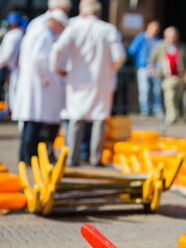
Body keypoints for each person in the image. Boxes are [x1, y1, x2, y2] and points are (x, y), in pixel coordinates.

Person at [50, 0, 126, 167]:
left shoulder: (74, 27)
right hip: (101, 80)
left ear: (82, 11)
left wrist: (57, 69)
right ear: (98, 13)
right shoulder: (108, 29)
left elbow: (57, 49)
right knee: (99, 119)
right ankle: (95, 158)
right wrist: (109, 69)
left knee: (76, 118)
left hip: (77, 80)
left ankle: (72, 158)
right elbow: (119, 56)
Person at [12, 10, 67, 164]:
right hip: (37, 83)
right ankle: (28, 158)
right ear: (56, 23)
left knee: (32, 123)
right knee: (33, 124)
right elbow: (39, 60)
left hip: (34, 82)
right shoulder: (44, 34)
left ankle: (27, 157)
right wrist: (47, 78)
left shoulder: (38, 31)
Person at [148, 26, 186, 124]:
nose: (172, 37)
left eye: (174, 35)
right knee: (170, 96)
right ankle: (171, 116)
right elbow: (151, 60)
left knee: (179, 97)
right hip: (167, 77)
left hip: (180, 76)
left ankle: (178, 115)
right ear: (165, 36)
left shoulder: (182, 47)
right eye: (170, 35)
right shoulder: (160, 46)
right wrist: (153, 71)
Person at [128, 20, 162, 117]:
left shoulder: (158, 40)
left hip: (155, 68)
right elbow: (131, 51)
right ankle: (145, 110)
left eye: (157, 30)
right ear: (148, 28)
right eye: (153, 29)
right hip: (143, 67)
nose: (155, 31)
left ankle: (156, 110)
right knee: (144, 89)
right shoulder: (140, 38)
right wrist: (139, 63)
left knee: (157, 90)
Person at [0, 13, 26, 112]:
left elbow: (6, 56)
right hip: (16, 69)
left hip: (15, 69)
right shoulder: (22, 33)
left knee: (15, 95)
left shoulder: (13, 35)